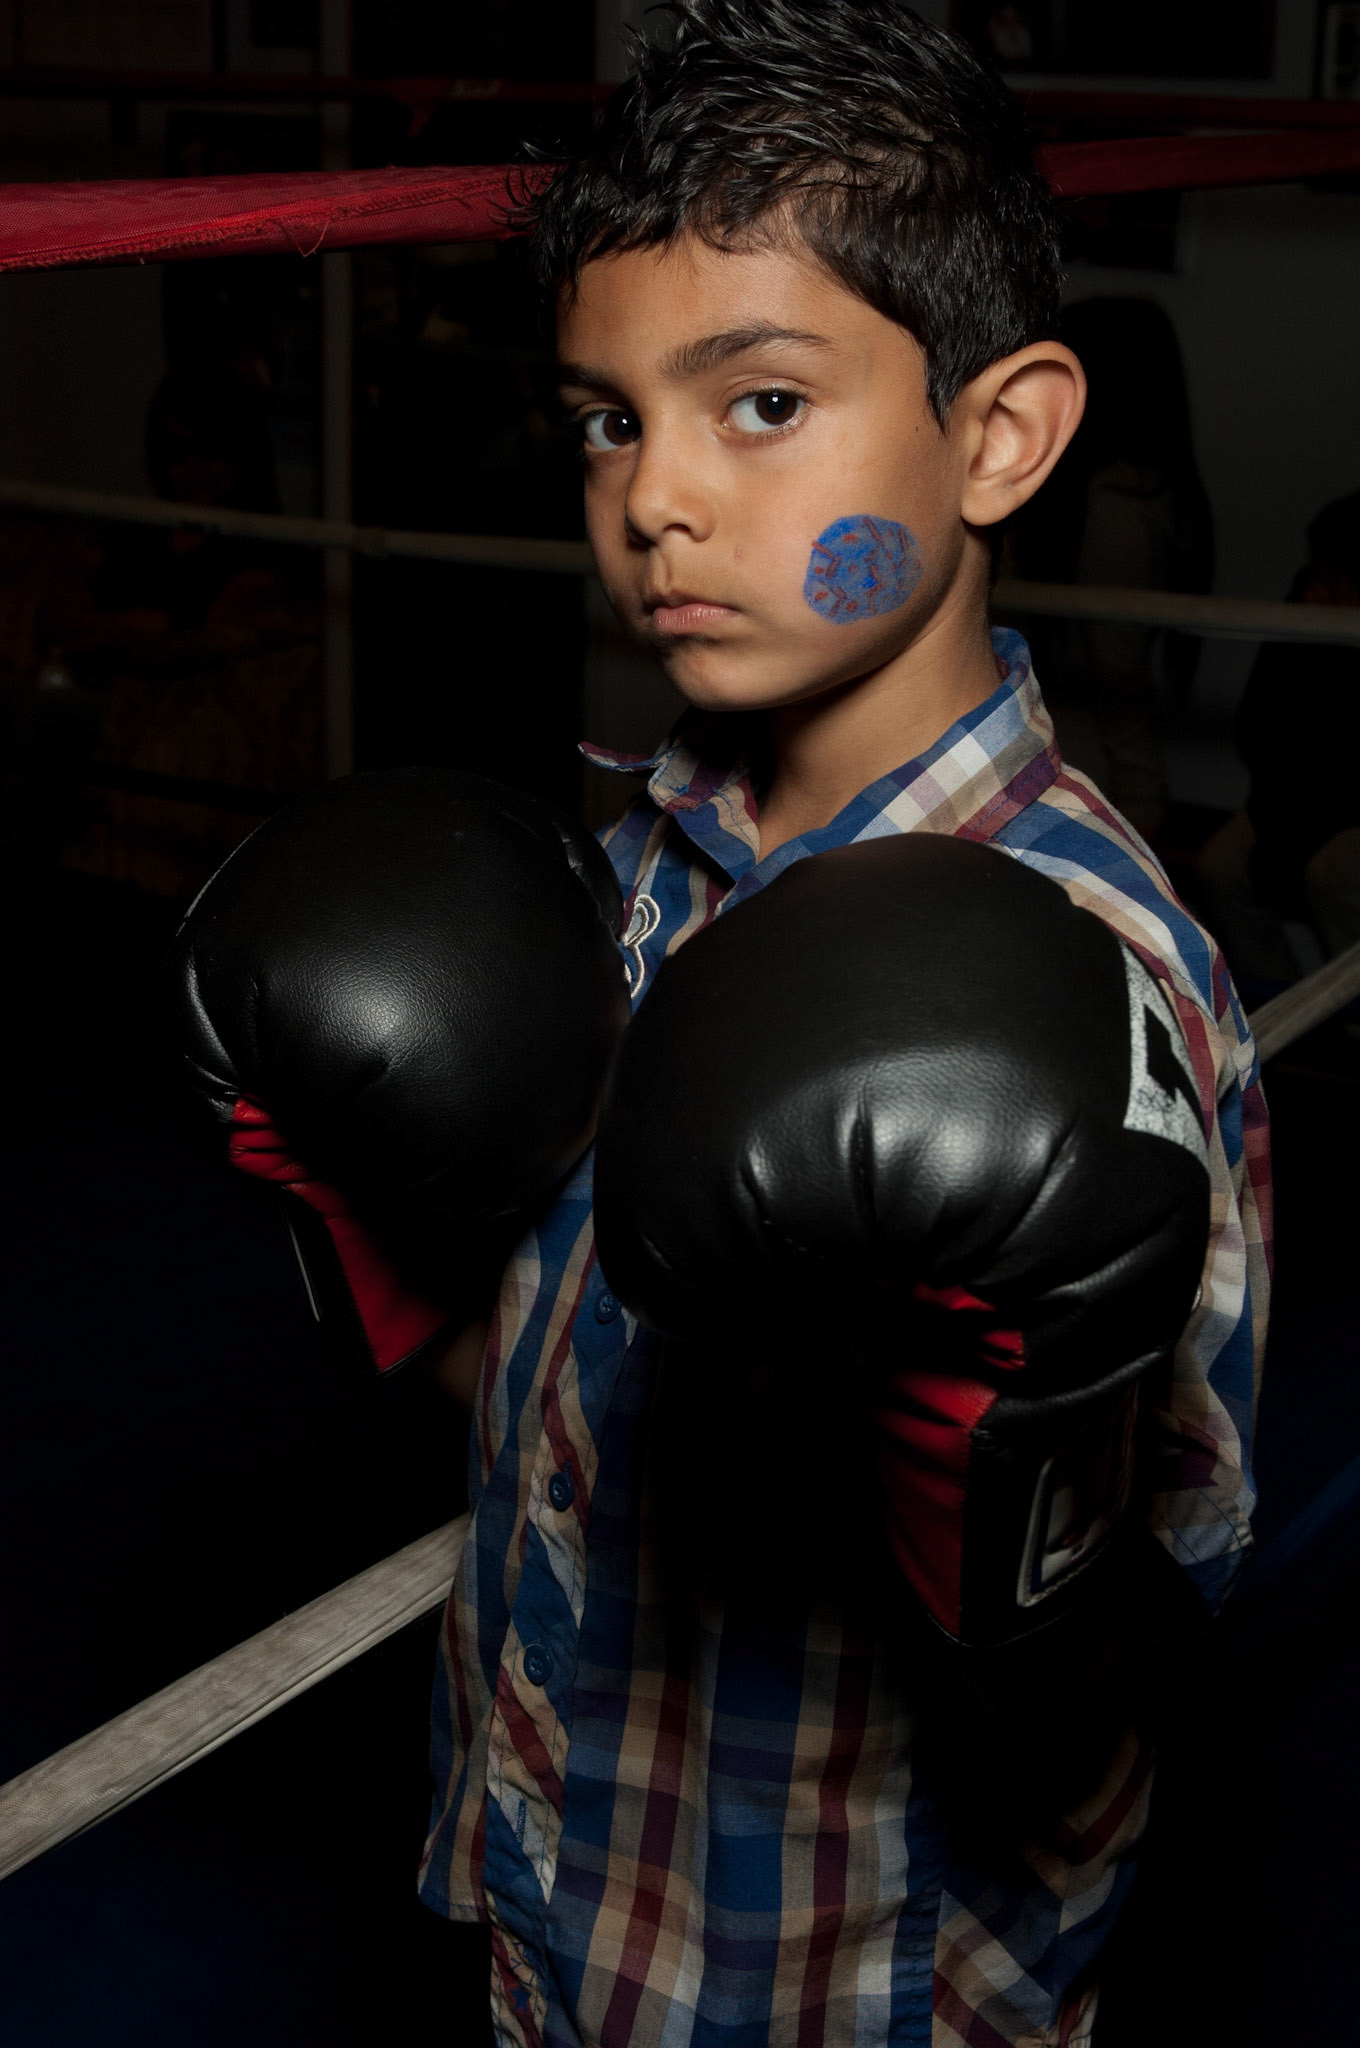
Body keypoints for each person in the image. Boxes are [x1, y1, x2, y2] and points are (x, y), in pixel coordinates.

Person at [173, 5, 1269, 2041]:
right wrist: (397, 1255)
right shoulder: (635, 868)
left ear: (998, 436)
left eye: (756, 402)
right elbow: (565, 1421)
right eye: (607, 416)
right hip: (557, 1904)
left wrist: (975, 1467)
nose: (654, 493)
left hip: (851, 1986)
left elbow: (1136, 1653)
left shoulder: (1095, 969)